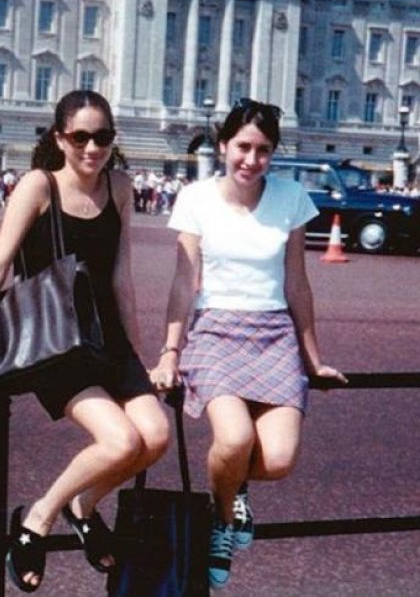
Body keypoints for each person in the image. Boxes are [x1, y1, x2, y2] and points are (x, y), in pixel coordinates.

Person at [0, 90, 168, 593]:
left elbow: (121, 278)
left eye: (103, 137)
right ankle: (37, 520)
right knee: (122, 441)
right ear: (59, 138)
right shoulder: (37, 186)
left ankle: (82, 506)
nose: (93, 148)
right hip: (57, 342)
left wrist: (139, 355)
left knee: (155, 438)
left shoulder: (120, 187)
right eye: (81, 137)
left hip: (107, 338)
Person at [149, 98, 347, 589]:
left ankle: (232, 486)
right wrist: (170, 351)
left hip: (274, 333)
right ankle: (222, 519)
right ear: (223, 145)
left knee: (278, 460)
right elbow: (183, 282)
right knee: (234, 438)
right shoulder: (195, 198)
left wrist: (314, 360)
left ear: (273, 153)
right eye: (242, 147)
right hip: (216, 331)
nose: (251, 160)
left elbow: (298, 282)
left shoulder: (291, 197)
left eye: (263, 150)